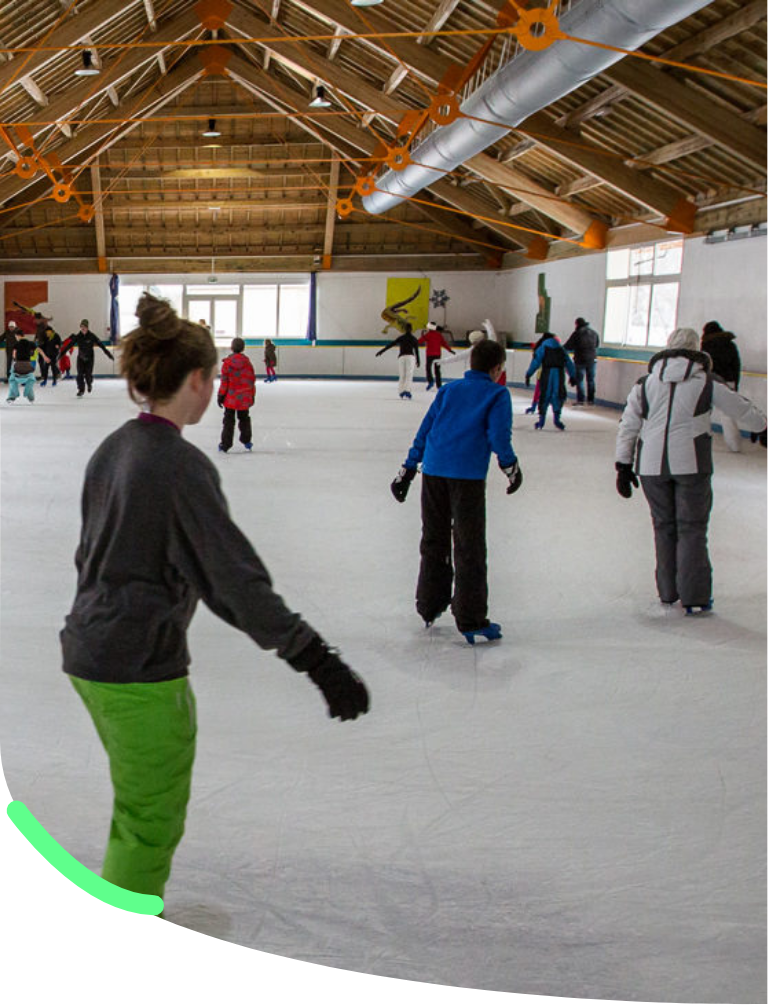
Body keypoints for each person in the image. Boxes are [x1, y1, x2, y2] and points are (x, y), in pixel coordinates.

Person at [61, 293, 369, 910]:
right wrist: (316, 659)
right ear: (200, 380)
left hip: (91, 650)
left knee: (138, 804)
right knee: (152, 816)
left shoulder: (117, 446)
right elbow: (233, 581)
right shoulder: (176, 464)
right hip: (136, 666)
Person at [615, 327, 768, 615]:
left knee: (663, 526)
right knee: (692, 529)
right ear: (697, 349)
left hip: (650, 466)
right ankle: (694, 596)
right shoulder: (707, 382)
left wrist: (623, 464)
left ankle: (668, 592)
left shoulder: (645, 383)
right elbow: (741, 409)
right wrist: (764, 426)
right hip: (692, 465)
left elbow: (628, 425)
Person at [389, 339, 522, 644]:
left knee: (433, 539)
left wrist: (408, 470)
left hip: (434, 473)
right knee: (469, 546)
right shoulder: (497, 394)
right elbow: (499, 437)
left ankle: (429, 604)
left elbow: (425, 430)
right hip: (467, 478)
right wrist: (511, 468)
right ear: (498, 367)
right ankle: (471, 618)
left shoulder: (448, 390)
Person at [701, 320, 742, 452]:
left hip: (710, 381)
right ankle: (734, 445)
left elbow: (703, 366)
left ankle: (702, 440)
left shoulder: (706, 345)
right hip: (728, 381)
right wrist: (736, 384)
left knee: (704, 412)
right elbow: (736, 366)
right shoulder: (730, 345)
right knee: (727, 414)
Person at [524, 332, 576, 430]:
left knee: (545, 395)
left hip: (546, 374)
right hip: (559, 375)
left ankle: (541, 421)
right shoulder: (561, 349)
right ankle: (557, 420)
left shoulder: (543, 347)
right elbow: (569, 363)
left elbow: (536, 362)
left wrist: (528, 374)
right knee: (558, 395)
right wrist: (572, 376)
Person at [218, 337, 255, 453]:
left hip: (231, 398)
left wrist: (221, 395)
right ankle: (246, 440)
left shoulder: (227, 364)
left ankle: (225, 444)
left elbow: (224, 382)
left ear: (231, 348)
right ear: (243, 348)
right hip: (244, 398)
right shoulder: (248, 363)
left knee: (228, 420)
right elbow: (251, 380)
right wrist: (251, 395)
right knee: (244, 418)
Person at [59, 320, 114, 397]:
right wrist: (60, 356)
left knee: (88, 375)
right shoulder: (78, 337)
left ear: (87, 328)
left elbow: (101, 345)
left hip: (90, 359)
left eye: (85, 327)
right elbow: (68, 346)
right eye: (82, 327)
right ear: (80, 327)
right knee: (80, 375)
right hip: (80, 358)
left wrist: (108, 354)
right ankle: (81, 390)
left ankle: (89, 384)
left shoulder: (92, 336)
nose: (83, 328)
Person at [375, 321, 421, 399]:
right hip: (410, 357)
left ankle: (401, 391)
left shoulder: (401, 338)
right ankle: (407, 390)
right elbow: (416, 350)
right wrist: (418, 360)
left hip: (402, 357)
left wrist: (382, 351)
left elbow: (391, 344)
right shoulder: (414, 339)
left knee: (402, 374)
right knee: (408, 374)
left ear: (405, 329)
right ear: (411, 329)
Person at [564, 317, 600, 405]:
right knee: (591, 380)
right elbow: (597, 345)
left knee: (580, 380)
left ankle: (580, 400)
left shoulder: (577, 334)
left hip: (580, 360)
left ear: (577, 324)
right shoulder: (594, 333)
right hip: (592, 359)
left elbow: (568, 346)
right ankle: (591, 400)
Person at [7, 329, 48, 403]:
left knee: (12, 379)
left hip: (18, 365)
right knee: (30, 378)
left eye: (16, 336)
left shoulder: (16, 344)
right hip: (28, 365)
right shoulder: (30, 343)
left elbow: (14, 355)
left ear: (18, 336)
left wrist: (15, 358)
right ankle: (31, 398)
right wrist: (45, 357)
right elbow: (39, 349)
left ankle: (13, 396)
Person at [418, 322, 455, 390]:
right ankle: (439, 385)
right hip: (437, 355)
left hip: (429, 355)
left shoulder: (428, 335)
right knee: (437, 370)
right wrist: (450, 350)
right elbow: (444, 343)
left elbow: (419, 341)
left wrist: (414, 343)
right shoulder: (439, 335)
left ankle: (430, 381)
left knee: (428, 368)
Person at [36, 322, 62, 387]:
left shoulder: (56, 336)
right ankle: (45, 380)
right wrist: (40, 347)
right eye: (46, 333)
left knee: (53, 367)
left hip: (54, 354)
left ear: (51, 331)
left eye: (48, 332)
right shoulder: (46, 337)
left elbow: (60, 343)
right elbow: (44, 345)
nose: (47, 334)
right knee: (45, 368)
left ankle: (54, 380)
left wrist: (58, 346)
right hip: (47, 354)